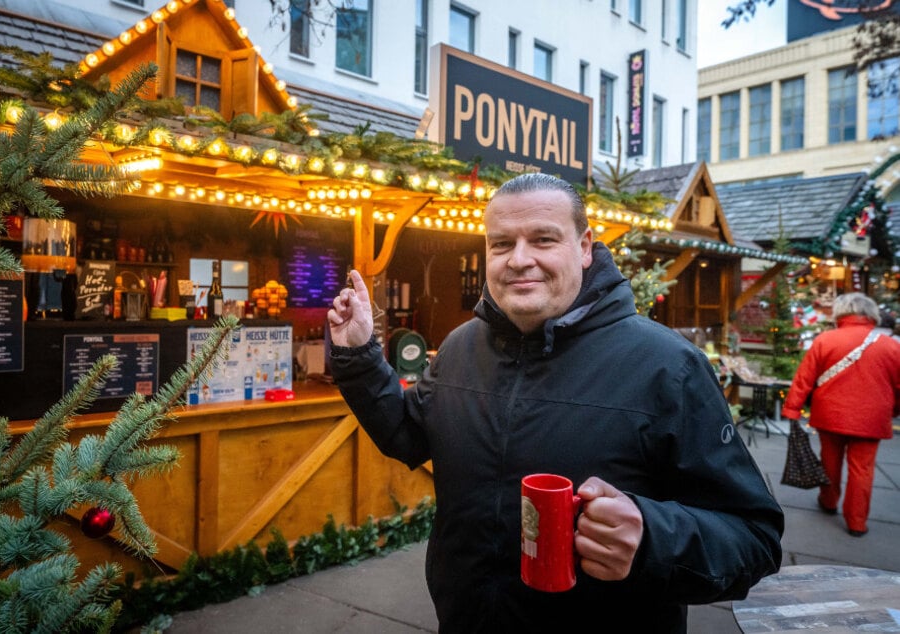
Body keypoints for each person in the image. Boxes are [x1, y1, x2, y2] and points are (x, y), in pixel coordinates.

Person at [327, 173, 783, 633]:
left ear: (585, 247)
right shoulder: (461, 347)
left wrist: (651, 537)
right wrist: (360, 358)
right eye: (501, 244)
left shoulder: (668, 367)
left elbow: (754, 537)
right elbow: (409, 435)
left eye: (543, 239)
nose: (519, 260)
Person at [782, 292, 900, 537]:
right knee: (862, 469)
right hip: (872, 418)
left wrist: (792, 408)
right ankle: (857, 522)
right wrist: (894, 409)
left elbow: (804, 378)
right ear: (871, 314)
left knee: (830, 461)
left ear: (841, 312)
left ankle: (828, 501)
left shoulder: (826, 340)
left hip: (831, 414)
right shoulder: (891, 346)